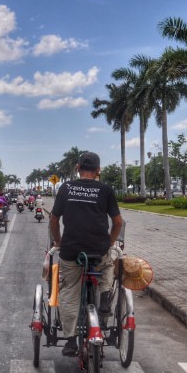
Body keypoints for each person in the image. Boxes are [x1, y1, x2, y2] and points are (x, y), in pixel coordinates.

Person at [49, 151, 123, 357]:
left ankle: (71, 340)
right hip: (98, 251)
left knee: (69, 290)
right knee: (108, 267)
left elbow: (54, 219)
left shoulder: (66, 188)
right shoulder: (105, 190)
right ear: (98, 170)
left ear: (77, 168)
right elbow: (118, 222)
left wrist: (59, 242)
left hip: (71, 251)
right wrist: (108, 243)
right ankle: (105, 296)